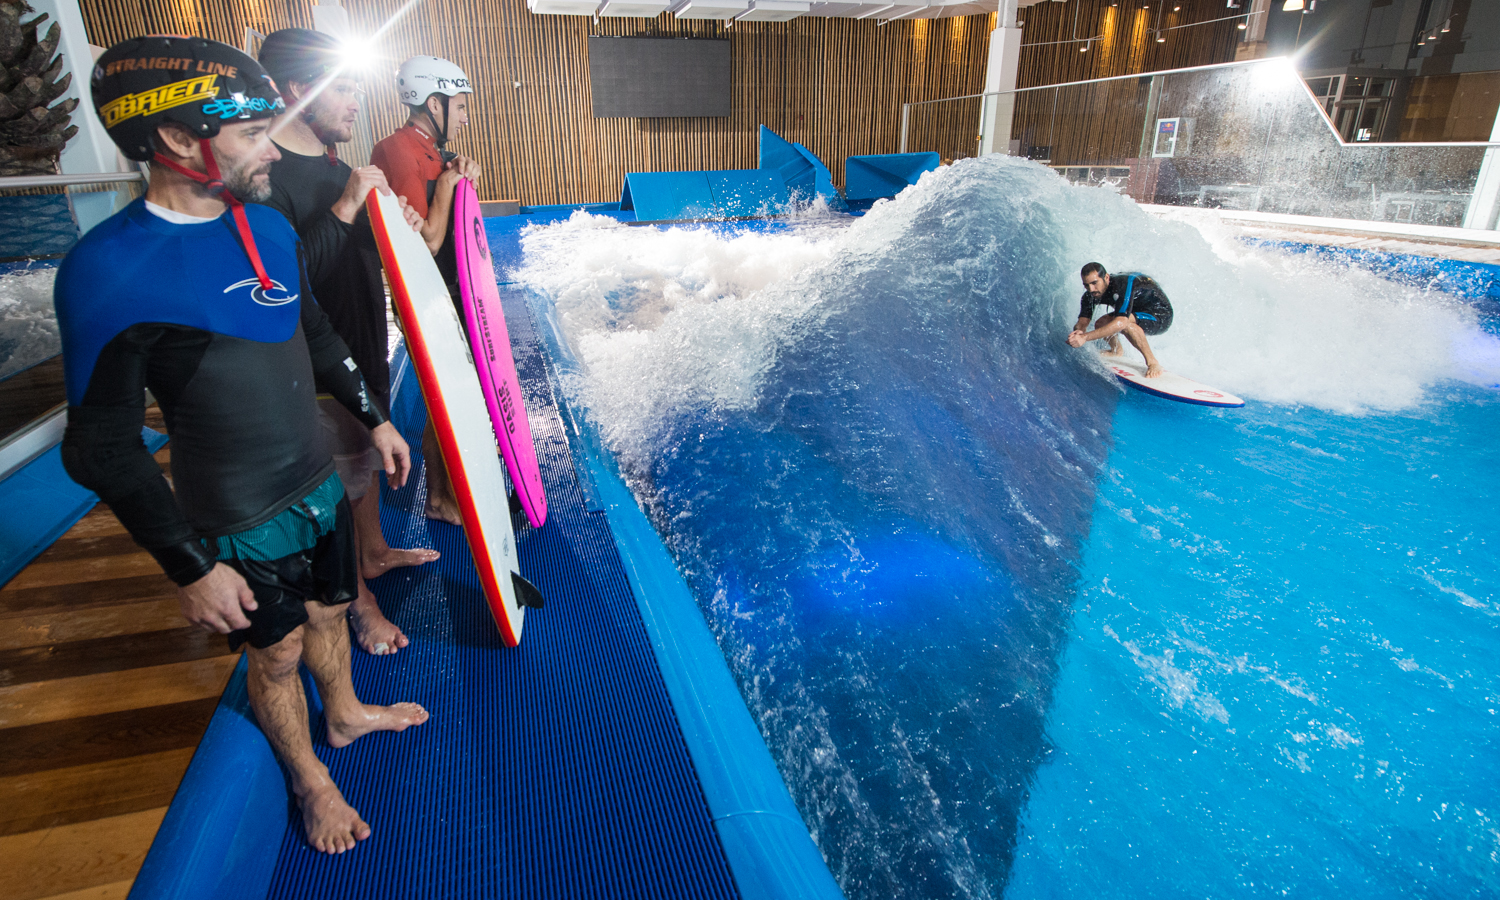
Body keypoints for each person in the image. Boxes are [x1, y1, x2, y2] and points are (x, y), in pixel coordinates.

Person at [57, 36, 427, 854]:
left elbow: (318, 334)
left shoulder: (263, 223)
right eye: (254, 131)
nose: (274, 147)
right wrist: (191, 566)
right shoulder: (108, 269)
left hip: (316, 481)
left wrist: (376, 418)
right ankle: (311, 781)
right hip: (237, 512)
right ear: (182, 141)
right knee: (279, 649)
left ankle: (348, 714)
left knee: (333, 612)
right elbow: (101, 447)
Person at [256, 28, 437, 656]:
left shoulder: (332, 159)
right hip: (312, 363)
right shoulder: (268, 175)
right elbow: (283, 284)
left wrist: (395, 227)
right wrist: (347, 206)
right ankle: (359, 605)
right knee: (338, 484)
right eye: (347, 88)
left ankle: (376, 552)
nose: (358, 102)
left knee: (363, 463)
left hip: (361, 338)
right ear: (299, 90)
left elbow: (356, 251)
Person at [369, 55, 481, 526]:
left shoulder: (430, 149)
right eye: (458, 106)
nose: (464, 115)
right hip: (426, 299)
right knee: (446, 401)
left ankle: (447, 491)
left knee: (456, 398)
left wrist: (460, 175)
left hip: (449, 292)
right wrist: (450, 186)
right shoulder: (397, 150)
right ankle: (438, 500)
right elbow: (426, 242)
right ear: (433, 102)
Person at [1067, 261, 1174, 378]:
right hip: (1135, 311)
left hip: (1160, 315)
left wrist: (1084, 337)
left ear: (1106, 277)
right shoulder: (1090, 294)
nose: (1091, 289)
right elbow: (1083, 321)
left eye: (1094, 283)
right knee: (1101, 323)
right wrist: (1078, 332)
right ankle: (1116, 351)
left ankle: (1153, 363)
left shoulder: (1122, 286)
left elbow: (1121, 322)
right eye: (1086, 285)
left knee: (1125, 324)